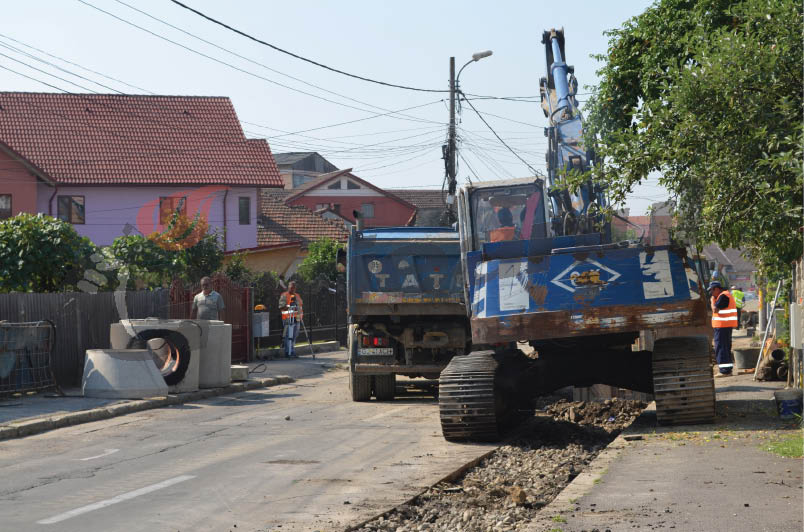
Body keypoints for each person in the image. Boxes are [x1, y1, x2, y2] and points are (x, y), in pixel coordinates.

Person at [709, 280, 737, 377]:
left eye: (712, 291)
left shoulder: (723, 296)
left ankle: (724, 371)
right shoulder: (726, 295)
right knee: (725, 348)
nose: (711, 293)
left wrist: (712, 301)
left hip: (722, 326)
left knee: (721, 348)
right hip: (724, 326)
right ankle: (727, 370)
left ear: (716, 289)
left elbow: (715, 309)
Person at [278, 281, 304, 358]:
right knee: (288, 336)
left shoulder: (297, 295)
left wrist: (299, 312)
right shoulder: (284, 295)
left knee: (294, 336)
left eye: (294, 287)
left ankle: (292, 350)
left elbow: (300, 306)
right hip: (288, 318)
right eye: (291, 287)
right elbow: (281, 307)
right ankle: (288, 352)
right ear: (288, 287)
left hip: (297, 318)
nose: (293, 289)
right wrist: (290, 306)